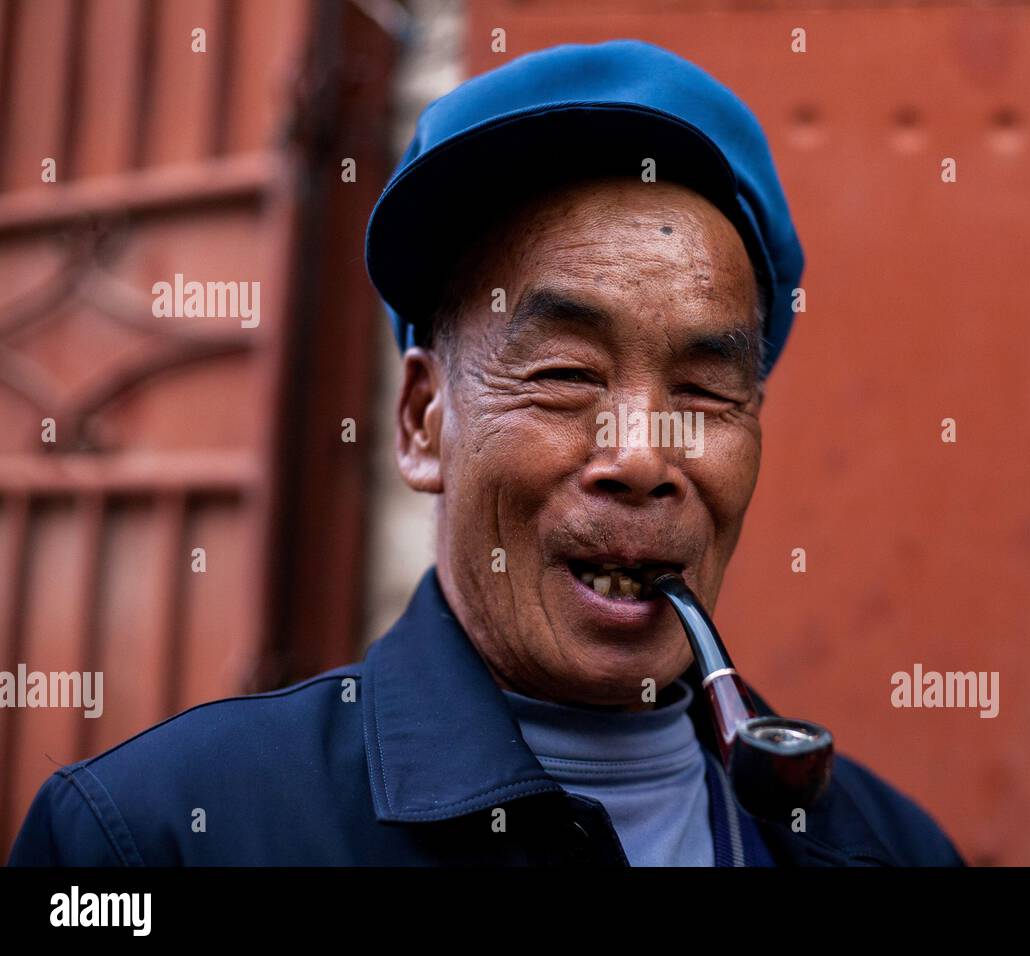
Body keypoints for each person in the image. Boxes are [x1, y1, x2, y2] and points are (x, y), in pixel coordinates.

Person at [8, 39, 963, 867]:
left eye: (705, 392)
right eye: (562, 375)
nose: (640, 457)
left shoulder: (891, 850)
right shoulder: (160, 839)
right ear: (424, 422)